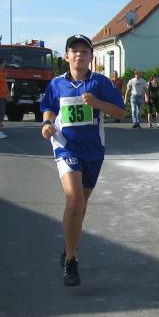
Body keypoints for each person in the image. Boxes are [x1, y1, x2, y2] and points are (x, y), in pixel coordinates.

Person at [40, 34, 126, 286]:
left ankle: (69, 246)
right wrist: (47, 123)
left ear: (91, 57)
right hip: (66, 147)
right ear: (67, 56)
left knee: (81, 204)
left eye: (84, 51)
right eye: (74, 51)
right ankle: (71, 260)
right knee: (75, 200)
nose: (79, 55)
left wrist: (97, 103)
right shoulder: (57, 84)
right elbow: (49, 107)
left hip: (93, 151)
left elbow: (120, 112)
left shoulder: (100, 83)